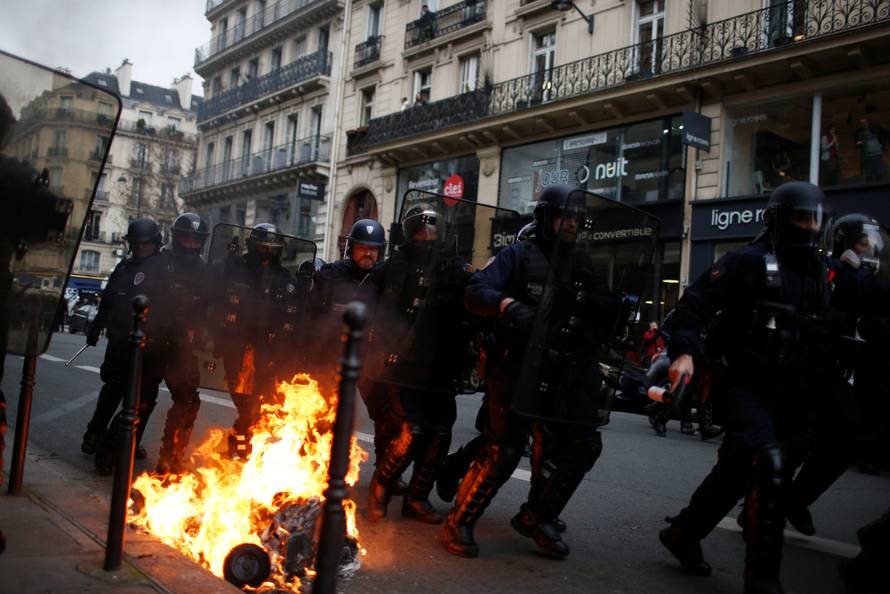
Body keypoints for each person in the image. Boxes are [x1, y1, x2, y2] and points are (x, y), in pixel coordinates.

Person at [658, 181, 890, 594]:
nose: (810, 226)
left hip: (797, 392)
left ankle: (684, 533)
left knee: (735, 473)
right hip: (744, 386)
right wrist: (684, 355)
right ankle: (763, 580)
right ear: (780, 219)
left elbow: (875, 300)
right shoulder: (745, 262)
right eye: (801, 217)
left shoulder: (829, 273)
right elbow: (689, 310)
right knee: (768, 462)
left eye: (815, 218)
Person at [440, 184, 617, 560]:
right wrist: (506, 304)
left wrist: (612, 313)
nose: (570, 224)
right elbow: (476, 291)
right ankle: (459, 520)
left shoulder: (583, 265)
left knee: (584, 444)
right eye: (563, 216)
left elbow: (600, 311)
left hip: (564, 371)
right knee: (503, 450)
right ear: (546, 216)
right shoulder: (518, 255)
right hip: (517, 366)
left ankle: (537, 516)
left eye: (575, 218)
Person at [366, 201, 474, 525]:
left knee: (440, 432)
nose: (427, 234)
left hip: (440, 364)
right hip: (403, 364)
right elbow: (365, 298)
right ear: (409, 231)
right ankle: (380, 487)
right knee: (411, 430)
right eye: (420, 227)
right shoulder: (393, 266)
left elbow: (476, 293)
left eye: (432, 227)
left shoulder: (452, 266)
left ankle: (417, 497)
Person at [213, 223, 302, 459]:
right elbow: (216, 302)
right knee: (247, 406)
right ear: (253, 247)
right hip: (238, 350)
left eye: (273, 249)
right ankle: (240, 450)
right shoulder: (236, 270)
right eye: (263, 248)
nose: (268, 254)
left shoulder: (284, 279)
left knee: (259, 409)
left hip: (268, 354)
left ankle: (238, 446)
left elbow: (291, 317)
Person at [84, 218, 164, 473]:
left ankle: (129, 442)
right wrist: (97, 326)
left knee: (145, 397)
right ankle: (94, 434)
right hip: (120, 339)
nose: (141, 249)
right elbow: (108, 299)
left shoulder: (163, 269)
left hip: (150, 344)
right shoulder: (124, 267)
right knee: (113, 389)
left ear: (155, 244)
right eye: (137, 245)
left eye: (146, 245)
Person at [140, 213, 209, 474]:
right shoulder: (157, 264)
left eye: (196, 240)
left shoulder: (204, 271)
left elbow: (210, 306)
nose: (191, 244)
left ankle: (171, 458)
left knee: (188, 401)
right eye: (186, 238)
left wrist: (202, 329)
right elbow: (139, 300)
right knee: (140, 401)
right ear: (176, 237)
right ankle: (117, 450)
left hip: (182, 348)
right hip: (154, 342)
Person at [855, 117, 888, 181]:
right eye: (862, 123)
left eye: (865, 122)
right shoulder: (858, 132)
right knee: (869, 175)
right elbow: (857, 144)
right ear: (860, 124)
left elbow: (885, 134)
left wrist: (882, 145)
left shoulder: (875, 129)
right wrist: (860, 144)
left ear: (868, 122)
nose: (864, 124)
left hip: (878, 154)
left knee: (879, 174)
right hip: (867, 156)